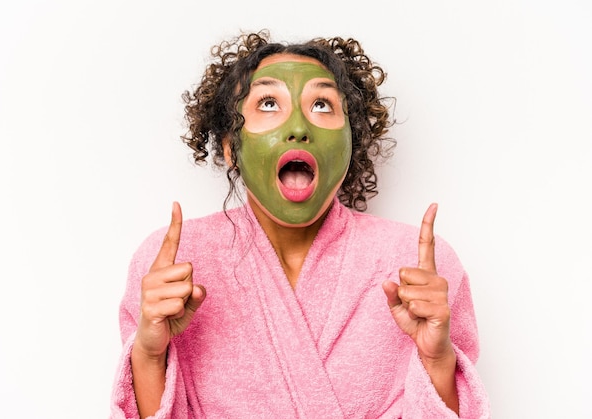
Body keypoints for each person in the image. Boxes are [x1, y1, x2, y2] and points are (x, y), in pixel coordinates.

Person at [110, 30, 490, 418]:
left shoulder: (419, 266)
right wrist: (149, 354)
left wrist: (437, 357)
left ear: (349, 143)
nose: (298, 127)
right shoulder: (171, 267)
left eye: (322, 105)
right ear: (230, 147)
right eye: (269, 103)